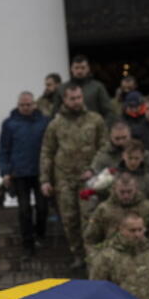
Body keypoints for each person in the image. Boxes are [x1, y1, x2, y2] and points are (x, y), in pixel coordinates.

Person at [40, 81, 108, 269]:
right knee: (69, 219)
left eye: (79, 97)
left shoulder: (95, 120)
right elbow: (47, 151)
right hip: (64, 178)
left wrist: (94, 168)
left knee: (90, 218)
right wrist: (45, 179)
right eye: (72, 99)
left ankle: (93, 255)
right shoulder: (56, 124)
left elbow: (104, 147)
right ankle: (78, 254)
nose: (76, 101)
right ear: (65, 99)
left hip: (89, 177)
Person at [0, 92, 51, 258]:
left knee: (43, 208)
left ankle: (40, 234)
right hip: (19, 173)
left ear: (34, 104)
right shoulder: (9, 124)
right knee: (24, 210)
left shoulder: (44, 122)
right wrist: (5, 171)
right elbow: (3, 149)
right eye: (23, 105)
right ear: (18, 105)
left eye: (29, 104)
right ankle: (27, 244)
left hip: (40, 172)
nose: (26, 108)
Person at [88, 213, 149, 299]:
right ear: (121, 229)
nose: (137, 234)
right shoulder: (106, 257)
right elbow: (97, 290)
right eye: (132, 230)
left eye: (140, 230)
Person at [84, 173, 149, 249]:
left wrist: (148, 235)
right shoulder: (103, 209)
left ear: (136, 189)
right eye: (122, 192)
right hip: (112, 257)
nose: (126, 196)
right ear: (115, 189)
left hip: (143, 255)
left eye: (129, 192)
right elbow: (90, 239)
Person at [70, 54, 117, 124]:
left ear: (88, 68)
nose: (79, 71)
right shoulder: (63, 88)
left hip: (92, 130)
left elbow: (109, 112)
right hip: (69, 131)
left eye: (82, 68)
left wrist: (102, 128)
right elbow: (55, 115)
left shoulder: (97, 87)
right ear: (71, 68)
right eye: (76, 68)